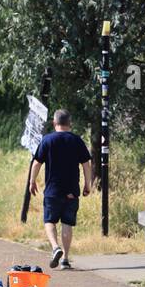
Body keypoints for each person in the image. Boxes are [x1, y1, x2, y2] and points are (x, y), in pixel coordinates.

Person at [28, 109, 93, 269]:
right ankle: (65, 259)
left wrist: (32, 181)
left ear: (54, 123)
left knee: (49, 221)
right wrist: (87, 184)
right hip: (71, 191)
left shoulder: (47, 140)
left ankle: (55, 247)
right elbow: (86, 164)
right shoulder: (77, 141)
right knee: (67, 223)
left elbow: (36, 162)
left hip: (52, 191)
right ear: (69, 123)